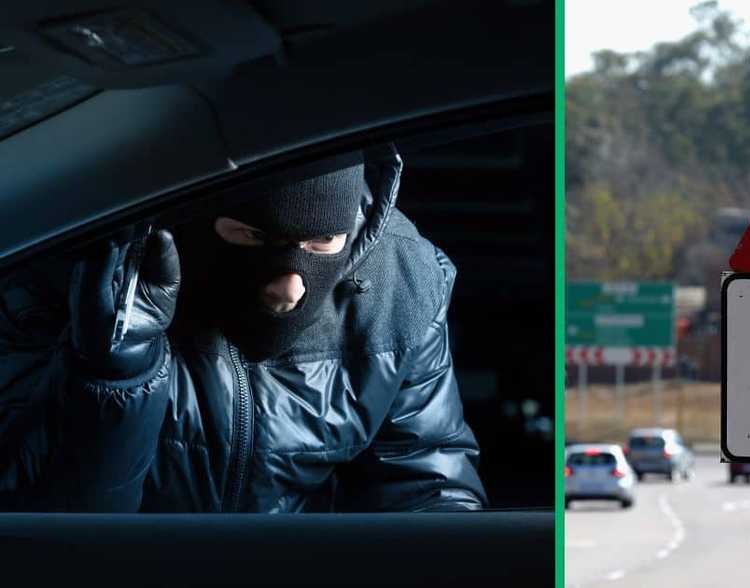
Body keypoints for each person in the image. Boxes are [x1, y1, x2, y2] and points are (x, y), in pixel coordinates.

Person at [0, 148, 486, 512]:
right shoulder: (68, 269)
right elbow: (49, 529)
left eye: (322, 243)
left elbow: (428, 484)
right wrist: (115, 374)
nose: (288, 290)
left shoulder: (401, 282)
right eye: (252, 237)